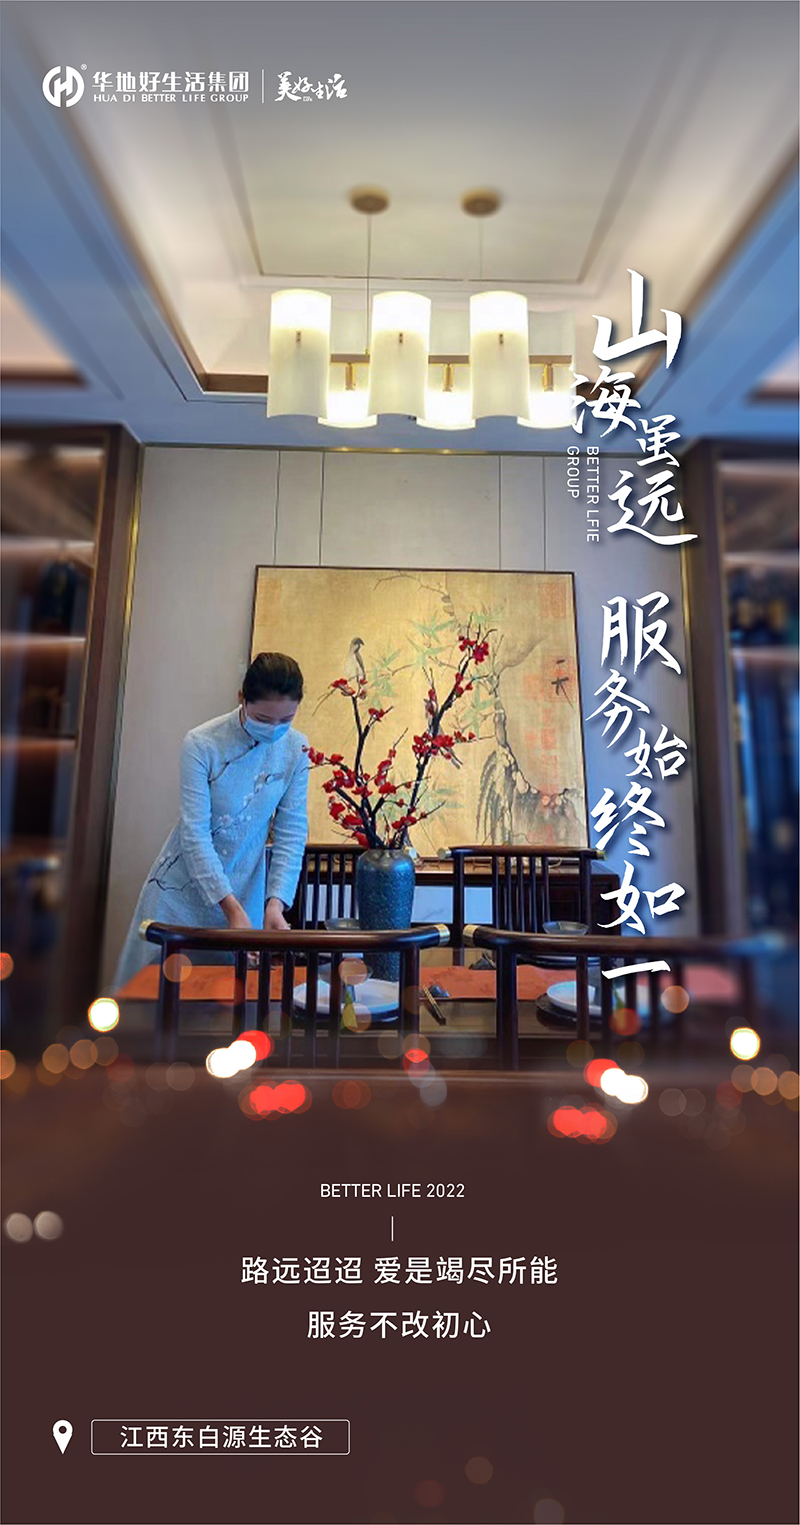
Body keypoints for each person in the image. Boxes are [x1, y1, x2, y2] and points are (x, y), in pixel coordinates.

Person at [112, 652, 309, 990]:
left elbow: (291, 831)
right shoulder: (203, 744)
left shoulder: (296, 749)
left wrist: (276, 903)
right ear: (241, 698)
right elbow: (195, 834)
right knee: (155, 998)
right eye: (263, 718)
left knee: (232, 1003)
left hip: (245, 893)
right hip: (180, 895)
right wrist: (229, 908)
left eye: (286, 719)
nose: (274, 729)